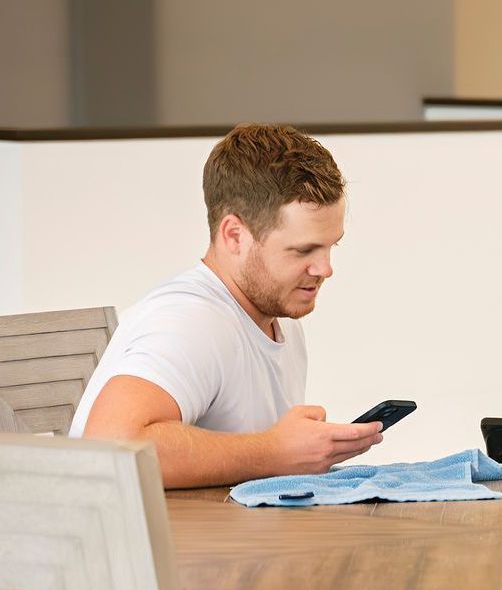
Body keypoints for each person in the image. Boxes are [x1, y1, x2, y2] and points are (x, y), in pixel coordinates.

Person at [71, 123, 383, 488]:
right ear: (234, 235)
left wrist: (290, 451)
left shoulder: (281, 318)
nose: (325, 269)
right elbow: (110, 446)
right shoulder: (190, 322)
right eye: (303, 250)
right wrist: (273, 451)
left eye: (331, 246)